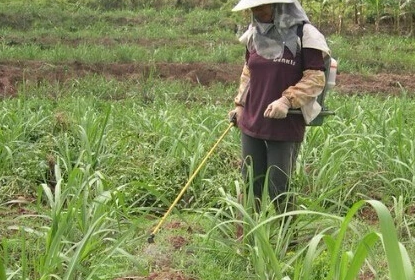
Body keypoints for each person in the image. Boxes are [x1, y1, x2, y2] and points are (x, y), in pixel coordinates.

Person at [229, 0, 331, 213]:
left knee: (279, 188)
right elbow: (248, 72)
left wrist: (286, 100)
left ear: (280, 7)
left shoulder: (306, 34)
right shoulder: (255, 33)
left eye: (261, 7)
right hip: (253, 119)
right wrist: (240, 105)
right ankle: (248, 242)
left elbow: (315, 77)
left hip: (285, 123)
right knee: (250, 185)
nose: (255, 12)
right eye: (253, 9)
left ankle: (288, 243)